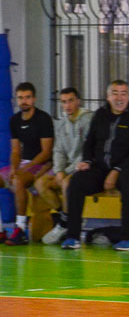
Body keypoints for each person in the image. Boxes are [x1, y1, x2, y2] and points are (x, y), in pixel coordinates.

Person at [60, 80, 129, 251]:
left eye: (123, 93)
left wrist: (116, 171)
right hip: (101, 168)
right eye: (115, 93)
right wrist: (87, 161)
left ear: (128, 97)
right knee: (76, 182)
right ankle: (73, 236)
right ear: (108, 97)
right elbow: (89, 142)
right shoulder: (100, 115)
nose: (119, 97)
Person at [34, 87, 93, 244]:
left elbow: (87, 152)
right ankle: (66, 218)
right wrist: (59, 171)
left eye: (71, 101)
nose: (67, 105)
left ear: (78, 101)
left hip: (84, 167)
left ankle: (66, 223)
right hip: (66, 168)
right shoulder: (61, 124)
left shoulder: (89, 120)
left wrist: (66, 172)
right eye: (64, 102)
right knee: (40, 183)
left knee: (68, 183)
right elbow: (58, 150)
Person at [0, 82, 54, 245]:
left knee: (18, 181)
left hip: (42, 163)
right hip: (23, 163)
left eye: (27, 98)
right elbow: (16, 150)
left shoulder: (43, 118)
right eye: (20, 98)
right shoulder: (15, 120)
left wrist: (25, 169)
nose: (24, 101)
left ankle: (21, 229)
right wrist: (14, 168)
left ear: (34, 99)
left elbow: (46, 152)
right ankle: (1, 230)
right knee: (10, 177)